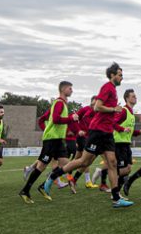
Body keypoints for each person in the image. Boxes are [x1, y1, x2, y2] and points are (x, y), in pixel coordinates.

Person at [41, 62, 134, 208]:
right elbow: (97, 106)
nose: (122, 78)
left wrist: (113, 111)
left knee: (112, 162)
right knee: (84, 162)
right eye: (120, 75)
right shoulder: (107, 87)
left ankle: (116, 198)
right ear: (112, 75)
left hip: (107, 132)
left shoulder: (114, 90)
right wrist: (113, 109)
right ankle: (52, 176)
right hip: (97, 131)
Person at [20, 81, 78, 203]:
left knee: (66, 165)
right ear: (63, 90)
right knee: (41, 166)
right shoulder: (59, 103)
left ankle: (43, 185)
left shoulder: (64, 104)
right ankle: (25, 190)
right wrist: (70, 118)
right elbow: (56, 119)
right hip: (51, 139)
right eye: (70, 88)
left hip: (58, 140)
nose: (72, 90)